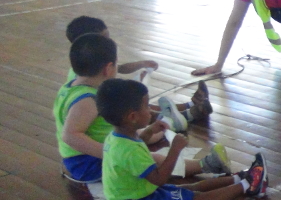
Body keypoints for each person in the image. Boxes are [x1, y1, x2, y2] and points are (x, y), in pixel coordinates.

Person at [54, 35, 230, 183]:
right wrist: (111, 153)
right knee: (152, 160)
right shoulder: (88, 100)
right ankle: (206, 164)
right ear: (108, 68)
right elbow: (70, 135)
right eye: (116, 64)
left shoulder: (71, 86)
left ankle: (177, 119)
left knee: (142, 133)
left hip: (104, 143)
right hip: (87, 163)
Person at [96, 79, 268, 200]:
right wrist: (175, 149)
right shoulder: (129, 151)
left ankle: (238, 177)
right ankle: (250, 185)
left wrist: (150, 130)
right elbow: (159, 179)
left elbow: (139, 141)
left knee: (189, 188)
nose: (151, 110)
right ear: (132, 117)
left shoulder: (116, 136)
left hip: (131, 199)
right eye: (147, 106)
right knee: (196, 199)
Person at [65, 16, 211, 131]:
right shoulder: (87, 91)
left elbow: (119, 68)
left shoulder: (84, 66)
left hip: (111, 116)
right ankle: (182, 116)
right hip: (113, 125)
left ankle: (189, 107)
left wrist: (140, 64)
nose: (109, 41)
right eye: (105, 38)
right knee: (141, 109)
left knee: (141, 106)